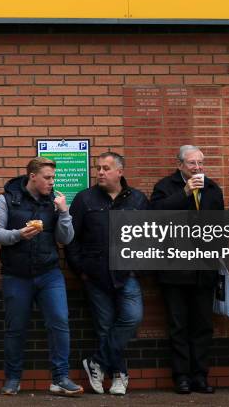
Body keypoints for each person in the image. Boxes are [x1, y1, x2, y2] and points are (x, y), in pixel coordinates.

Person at [0, 157, 83, 397]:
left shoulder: (55, 201)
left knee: (59, 322)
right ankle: (12, 379)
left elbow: (66, 238)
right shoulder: (7, 198)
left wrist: (64, 212)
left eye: (53, 178)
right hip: (16, 275)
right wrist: (19, 234)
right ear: (32, 176)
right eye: (47, 178)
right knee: (15, 328)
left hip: (49, 273)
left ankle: (60, 378)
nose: (52, 182)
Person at [65, 152, 148, 396]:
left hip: (127, 274)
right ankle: (120, 375)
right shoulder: (84, 199)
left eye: (106, 168)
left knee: (132, 319)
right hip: (95, 275)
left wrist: (138, 266)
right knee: (104, 326)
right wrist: (81, 269)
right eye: (98, 168)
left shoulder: (138, 200)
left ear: (120, 172)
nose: (100, 172)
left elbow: (149, 235)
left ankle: (97, 362)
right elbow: (71, 239)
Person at [149, 145, 224, 394]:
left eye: (201, 163)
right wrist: (183, 193)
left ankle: (200, 376)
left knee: (202, 325)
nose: (198, 168)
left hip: (204, 269)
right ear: (180, 164)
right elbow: (154, 217)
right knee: (178, 326)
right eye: (192, 163)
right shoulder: (165, 187)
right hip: (174, 269)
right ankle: (181, 377)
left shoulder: (213, 189)